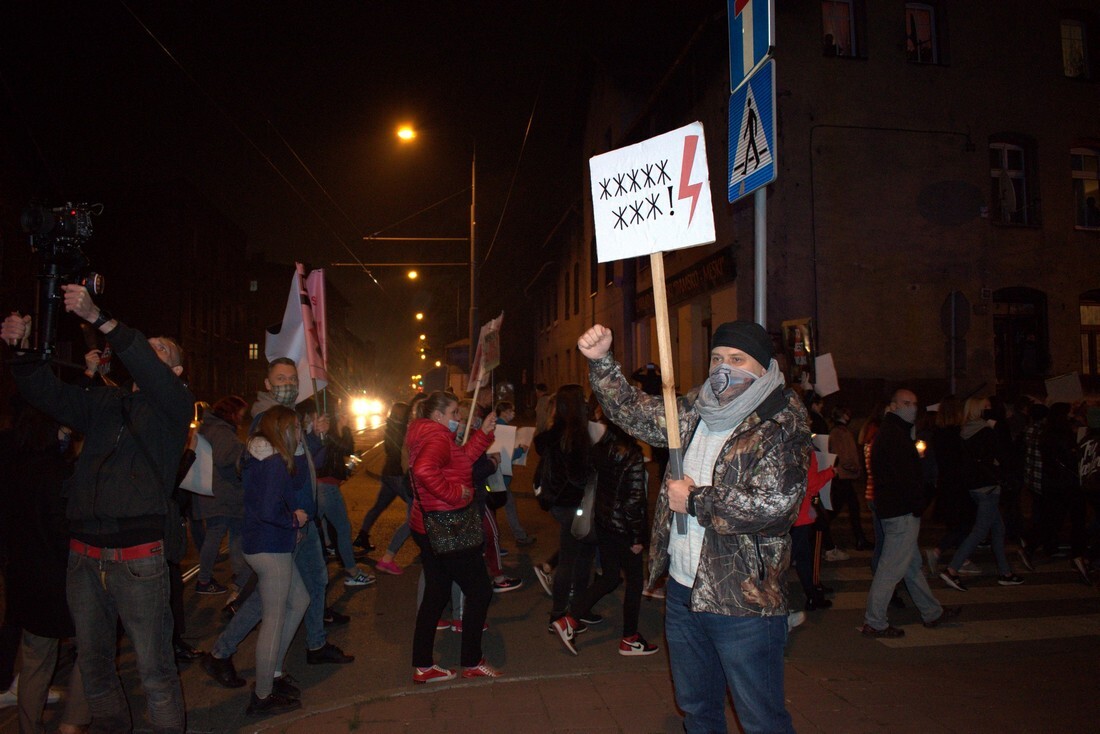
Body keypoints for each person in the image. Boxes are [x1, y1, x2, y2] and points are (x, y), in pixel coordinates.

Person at [579, 320, 810, 734]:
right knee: (697, 708)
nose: (724, 367)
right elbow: (633, 411)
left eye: (738, 359)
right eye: (717, 358)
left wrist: (697, 499)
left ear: (764, 367)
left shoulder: (780, 424)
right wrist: (601, 363)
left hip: (744, 602)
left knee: (761, 718)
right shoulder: (694, 410)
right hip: (684, 591)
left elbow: (776, 507)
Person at [2, 286, 190, 733]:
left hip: (138, 556)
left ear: (176, 370)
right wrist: (23, 350)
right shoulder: (107, 401)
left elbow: (146, 365)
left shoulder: (175, 405)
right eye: (145, 348)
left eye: (157, 350)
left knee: (155, 671)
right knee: (94, 666)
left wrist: (101, 317)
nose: (145, 353)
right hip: (83, 556)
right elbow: (46, 394)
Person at [0, 403, 90, 734]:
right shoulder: (61, 474)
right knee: (89, 649)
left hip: (27, 579)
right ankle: (72, 721)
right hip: (64, 579)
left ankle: (28, 726)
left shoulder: (13, 470)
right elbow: (65, 530)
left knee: (36, 661)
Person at [406, 391, 500, 683]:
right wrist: (455, 495)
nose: (459, 420)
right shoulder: (436, 437)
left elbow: (460, 461)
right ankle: (471, 660)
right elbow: (423, 471)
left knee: (436, 593)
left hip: (428, 526)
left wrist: (483, 435)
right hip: (447, 526)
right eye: (455, 414)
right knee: (480, 590)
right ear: (438, 416)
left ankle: (423, 665)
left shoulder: (431, 434)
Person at [862, 389, 960, 638]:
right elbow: (905, 478)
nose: (912, 408)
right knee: (891, 569)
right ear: (894, 406)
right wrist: (917, 503)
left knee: (911, 566)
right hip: (901, 512)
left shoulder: (895, 432)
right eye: (906, 403)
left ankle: (932, 612)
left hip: (897, 510)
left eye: (915, 403)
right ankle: (875, 621)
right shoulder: (895, 435)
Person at [238, 406, 311, 716]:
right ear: (283, 428)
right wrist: (293, 521)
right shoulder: (272, 462)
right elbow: (270, 510)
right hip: (270, 547)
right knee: (274, 619)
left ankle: (273, 677)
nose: (299, 434)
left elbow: (288, 489)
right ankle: (263, 694)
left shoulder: (261, 456)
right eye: (295, 428)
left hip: (263, 543)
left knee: (300, 600)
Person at [567, 420, 658, 655]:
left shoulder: (601, 450)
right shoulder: (632, 456)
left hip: (605, 524)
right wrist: (637, 538)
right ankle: (629, 638)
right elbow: (634, 501)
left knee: (609, 577)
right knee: (635, 582)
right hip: (625, 529)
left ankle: (570, 618)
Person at [535, 384, 599, 656]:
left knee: (579, 556)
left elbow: (542, 447)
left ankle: (576, 611)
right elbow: (577, 476)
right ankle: (559, 616)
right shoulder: (577, 436)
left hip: (559, 504)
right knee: (576, 560)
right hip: (575, 505)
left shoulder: (552, 432)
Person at [938, 397, 1023, 590]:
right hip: (989, 486)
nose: (990, 409)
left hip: (973, 485)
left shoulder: (964, 431)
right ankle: (952, 569)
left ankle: (1005, 572)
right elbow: (1003, 455)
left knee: (998, 528)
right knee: (980, 530)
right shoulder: (986, 431)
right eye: (986, 407)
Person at [309, 404, 375, 588]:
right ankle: (352, 572)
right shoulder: (326, 433)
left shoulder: (328, 432)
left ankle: (324, 563)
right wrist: (345, 426)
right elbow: (347, 447)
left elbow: (348, 450)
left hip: (322, 485)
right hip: (326, 487)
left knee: (313, 530)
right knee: (343, 529)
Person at [195, 395, 251, 596]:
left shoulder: (212, 428)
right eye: (241, 413)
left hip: (217, 492)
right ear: (232, 412)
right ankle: (204, 579)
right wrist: (244, 452)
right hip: (224, 493)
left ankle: (239, 574)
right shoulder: (222, 431)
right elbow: (226, 458)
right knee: (219, 535)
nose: (242, 417)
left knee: (232, 533)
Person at [357, 401, 414, 574]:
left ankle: (362, 535)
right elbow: (401, 453)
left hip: (388, 474)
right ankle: (389, 556)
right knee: (416, 509)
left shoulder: (391, 427)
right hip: (397, 476)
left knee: (378, 507)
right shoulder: (401, 430)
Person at [490, 400, 535, 547]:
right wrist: (521, 449)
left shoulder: (495, 426)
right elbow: (506, 454)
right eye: (511, 411)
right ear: (503, 412)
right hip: (501, 475)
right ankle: (513, 537)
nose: (514, 414)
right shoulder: (504, 429)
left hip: (496, 473)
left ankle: (513, 536)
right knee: (503, 506)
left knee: (503, 506)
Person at [829, 406, 871, 550]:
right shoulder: (837, 432)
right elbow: (840, 453)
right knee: (843, 507)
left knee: (850, 507)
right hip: (842, 475)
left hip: (846, 475)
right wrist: (851, 466)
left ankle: (860, 539)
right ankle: (819, 529)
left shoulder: (843, 431)